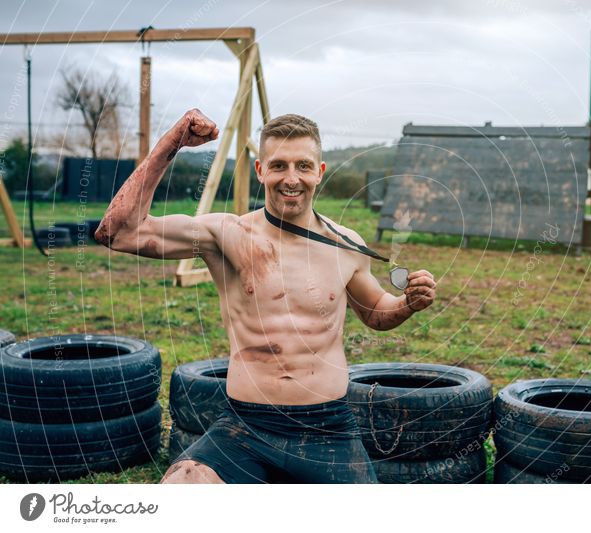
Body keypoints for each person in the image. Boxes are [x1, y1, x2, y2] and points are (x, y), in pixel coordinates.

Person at [95, 109, 436, 483]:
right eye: (279, 166)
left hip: (328, 430)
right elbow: (118, 232)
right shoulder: (226, 235)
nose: (291, 179)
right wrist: (171, 143)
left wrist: (407, 303)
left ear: (319, 172)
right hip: (246, 428)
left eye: (303, 166)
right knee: (184, 486)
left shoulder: (346, 244)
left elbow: (375, 312)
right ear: (260, 171)